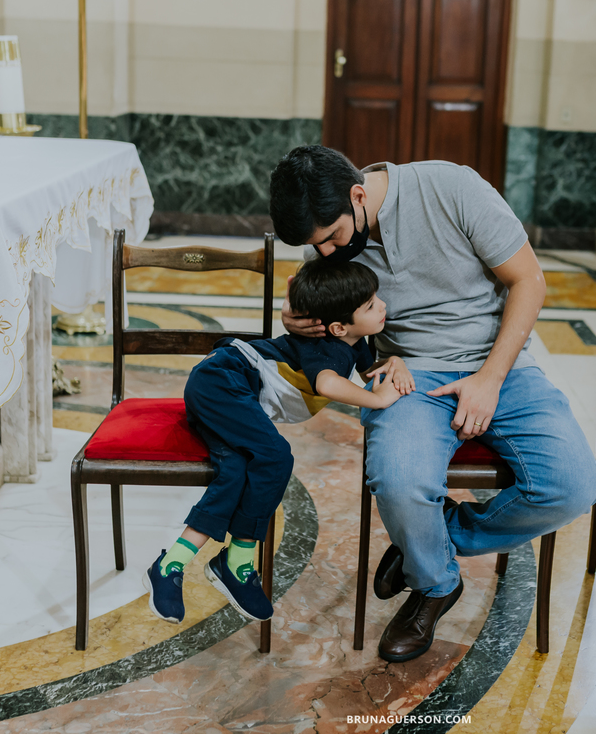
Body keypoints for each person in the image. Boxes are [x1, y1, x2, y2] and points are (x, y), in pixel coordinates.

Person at [268, 145, 596, 664]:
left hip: (500, 364)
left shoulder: (452, 188)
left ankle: (428, 540)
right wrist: (301, 323)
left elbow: (529, 281)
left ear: (359, 195)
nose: (328, 253)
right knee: (398, 482)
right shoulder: (330, 247)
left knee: (573, 487)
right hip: (406, 373)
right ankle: (437, 582)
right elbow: (336, 335)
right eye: (317, 246)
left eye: (331, 236)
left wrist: (489, 379)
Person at [143, 258, 412, 624]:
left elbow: (370, 372)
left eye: (376, 298)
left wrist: (395, 361)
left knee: (236, 470)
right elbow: (327, 384)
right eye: (370, 305)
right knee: (276, 457)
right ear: (336, 327)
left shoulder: (353, 341)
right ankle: (238, 560)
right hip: (224, 381)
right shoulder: (324, 349)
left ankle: (171, 563)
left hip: (229, 392)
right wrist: (379, 399)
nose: (382, 306)